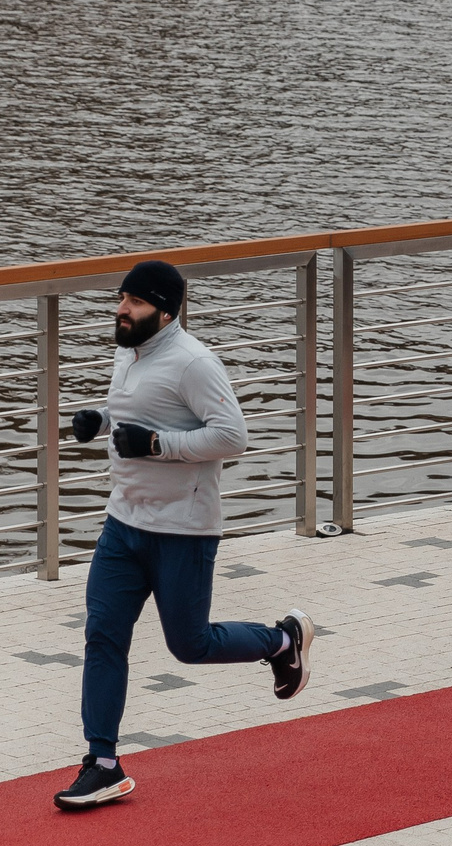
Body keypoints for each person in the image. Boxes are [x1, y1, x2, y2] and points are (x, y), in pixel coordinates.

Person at [56, 260, 314, 810]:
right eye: (122, 298)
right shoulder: (129, 351)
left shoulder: (194, 363)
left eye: (135, 302)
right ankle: (103, 763)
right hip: (123, 525)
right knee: (103, 637)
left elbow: (232, 436)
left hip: (182, 530)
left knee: (189, 645)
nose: (121, 309)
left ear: (166, 311)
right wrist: (101, 419)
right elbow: (138, 410)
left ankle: (281, 640)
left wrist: (156, 446)